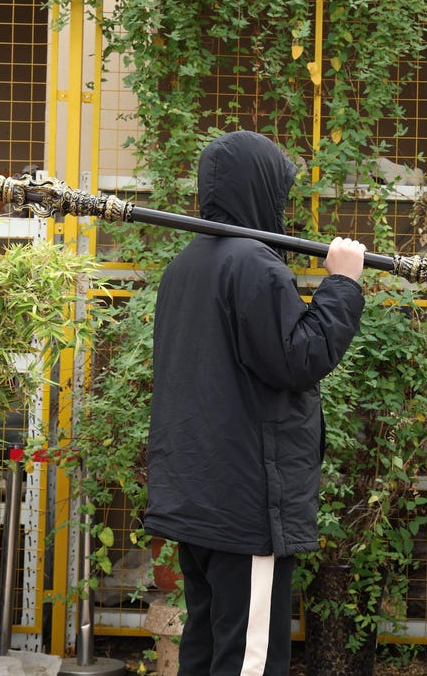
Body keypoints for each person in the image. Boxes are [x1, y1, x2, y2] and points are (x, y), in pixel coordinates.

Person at [144, 129, 366, 675]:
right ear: (260, 190)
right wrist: (342, 285)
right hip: (245, 506)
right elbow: (300, 358)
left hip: (198, 501)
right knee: (249, 658)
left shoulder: (183, 268)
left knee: (204, 642)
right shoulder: (253, 266)